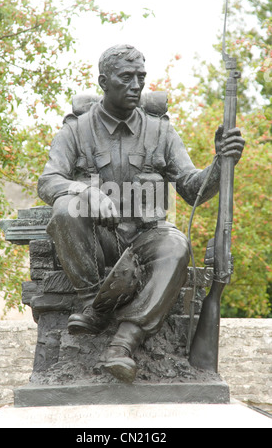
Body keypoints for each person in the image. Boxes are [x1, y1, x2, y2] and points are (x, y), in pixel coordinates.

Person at [38, 44, 245, 383]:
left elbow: (192, 189)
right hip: (99, 242)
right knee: (65, 207)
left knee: (176, 244)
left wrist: (221, 163)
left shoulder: (161, 131)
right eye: (126, 78)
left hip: (146, 239)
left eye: (141, 78)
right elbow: (48, 182)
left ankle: (124, 342)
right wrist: (83, 191)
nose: (136, 85)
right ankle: (95, 306)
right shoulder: (75, 131)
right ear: (104, 82)